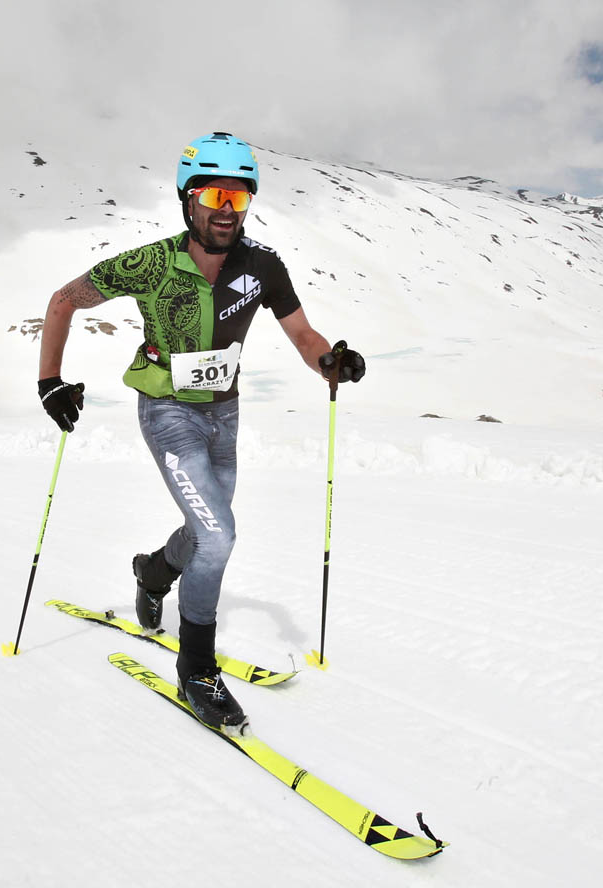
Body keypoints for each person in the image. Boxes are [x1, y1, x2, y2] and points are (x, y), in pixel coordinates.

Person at [36, 131, 365, 732]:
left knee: (206, 528)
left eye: (238, 199)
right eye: (213, 195)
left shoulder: (262, 266)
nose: (225, 210)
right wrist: (50, 382)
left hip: (225, 414)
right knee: (218, 536)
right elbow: (63, 301)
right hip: (168, 410)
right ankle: (196, 665)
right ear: (187, 199)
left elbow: (303, 334)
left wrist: (328, 360)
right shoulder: (151, 263)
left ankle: (155, 570)